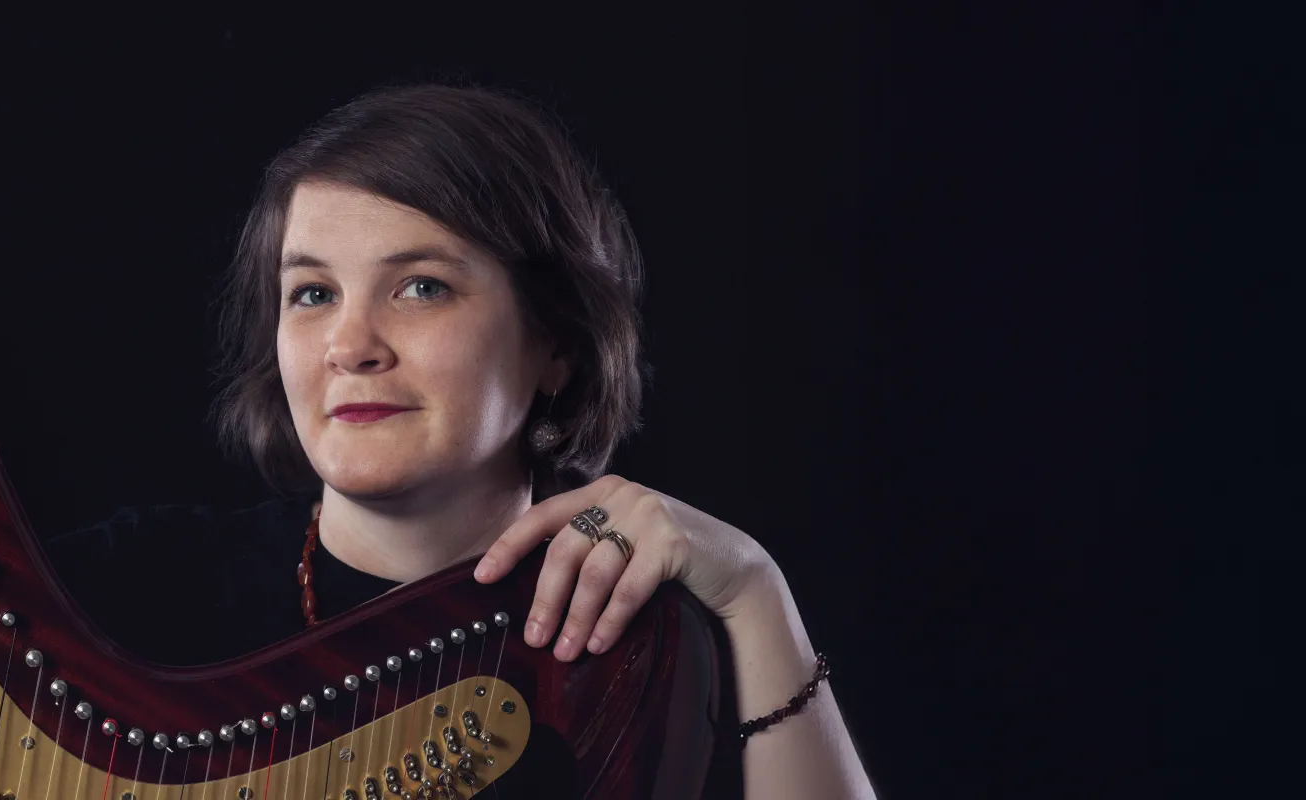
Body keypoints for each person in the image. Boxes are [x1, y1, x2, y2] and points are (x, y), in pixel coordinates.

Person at [47, 82, 874, 799]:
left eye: (421, 286)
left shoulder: (659, 639)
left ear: (555, 343)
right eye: (312, 293)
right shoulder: (124, 590)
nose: (351, 343)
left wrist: (754, 595)